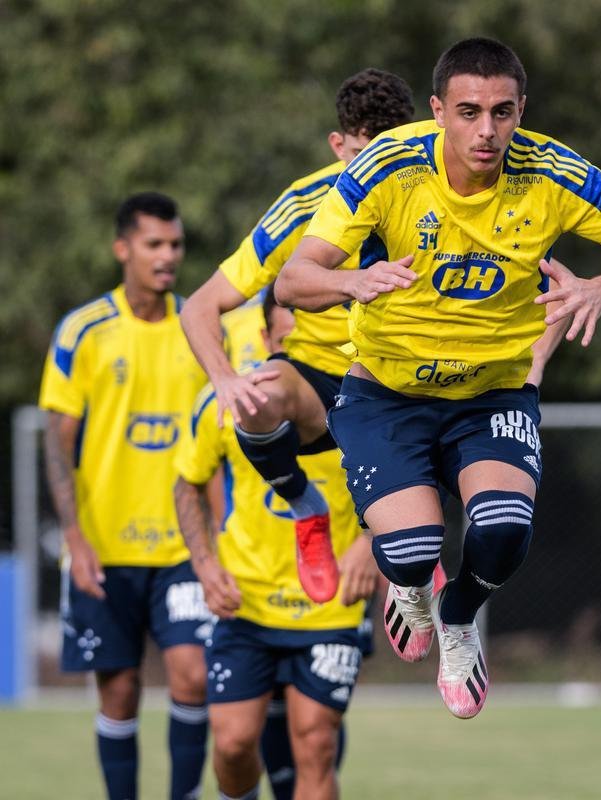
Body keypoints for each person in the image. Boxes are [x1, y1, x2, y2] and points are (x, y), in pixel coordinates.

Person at [274, 37, 601, 719]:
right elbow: (294, 280)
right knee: (410, 551)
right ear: (437, 110)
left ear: (521, 110)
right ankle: (409, 588)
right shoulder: (387, 166)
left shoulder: (553, 172)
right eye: (468, 112)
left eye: (503, 113)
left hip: (492, 392)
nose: (486, 131)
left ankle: (460, 615)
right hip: (388, 394)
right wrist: (352, 278)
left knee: (500, 531)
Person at [179, 68, 415, 605]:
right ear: (338, 147)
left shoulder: (439, 195)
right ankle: (304, 506)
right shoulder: (303, 204)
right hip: (320, 385)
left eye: (391, 154)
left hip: (401, 381)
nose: (376, 174)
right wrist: (223, 380)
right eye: (363, 156)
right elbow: (200, 306)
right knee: (256, 395)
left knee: (463, 407)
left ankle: (420, 556)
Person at [39, 192, 212, 799]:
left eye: (175, 244)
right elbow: (58, 444)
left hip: (182, 547)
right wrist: (75, 538)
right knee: (118, 691)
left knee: (192, 675)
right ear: (123, 249)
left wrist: (216, 544)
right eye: (154, 245)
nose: (168, 257)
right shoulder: (83, 330)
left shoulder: (200, 326)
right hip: (104, 548)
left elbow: (218, 438)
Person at [174, 290, 377, 800]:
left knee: (315, 743)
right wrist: (203, 562)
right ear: (265, 338)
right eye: (287, 342)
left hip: (329, 605)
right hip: (248, 602)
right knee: (234, 744)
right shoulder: (229, 402)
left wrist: (371, 542)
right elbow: (187, 481)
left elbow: (422, 471)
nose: (300, 363)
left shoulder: (368, 407)